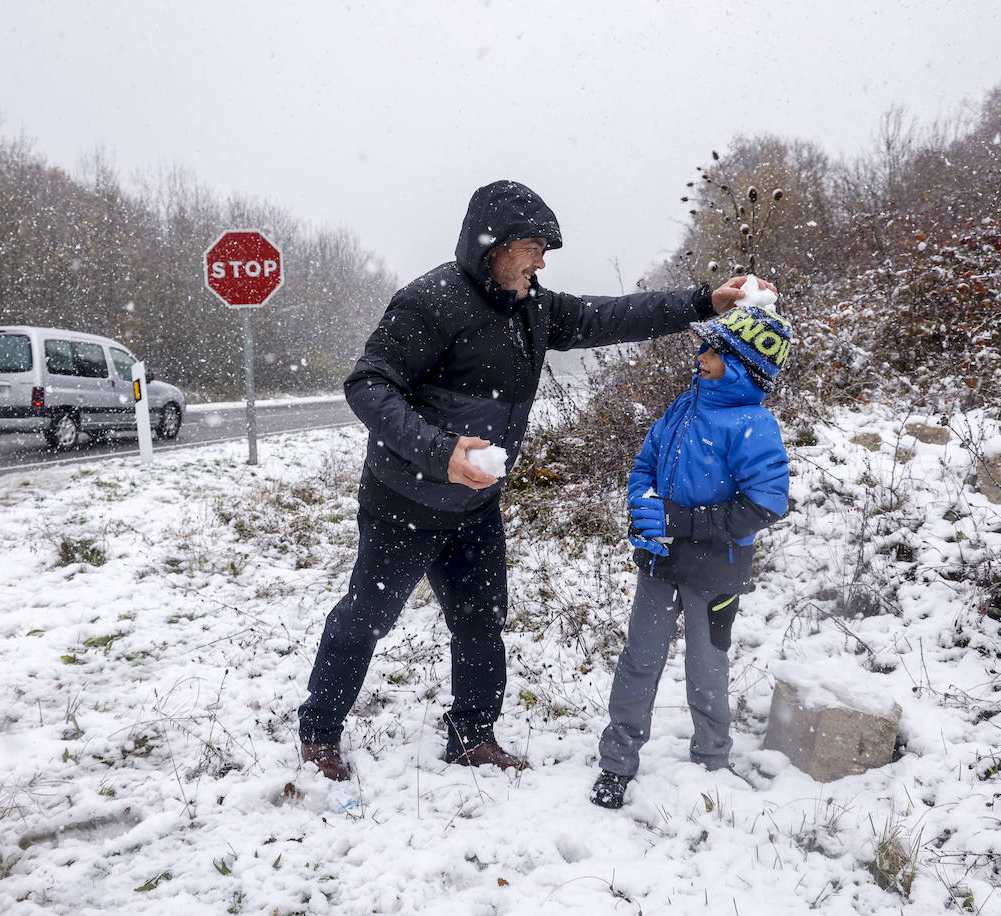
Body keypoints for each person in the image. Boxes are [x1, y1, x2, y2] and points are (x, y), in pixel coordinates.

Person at [298, 178, 772, 782]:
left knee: (480, 616)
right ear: (490, 246)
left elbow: (612, 315)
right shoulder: (431, 302)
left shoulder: (534, 308)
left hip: (474, 504)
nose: (541, 261)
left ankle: (471, 736)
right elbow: (367, 383)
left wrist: (707, 302)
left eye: (545, 250)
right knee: (368, 615)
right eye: (531, 248)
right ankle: (319, 731)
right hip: (406, 499)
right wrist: (439, 451)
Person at [589, 296, 792, 809]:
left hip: (717, 569)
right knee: (639, 659)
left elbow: (767, 502)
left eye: (716, 349)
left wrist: (681, 521)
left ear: (745, 366)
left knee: (707, 666)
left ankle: (712, 762)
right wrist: (643, 513)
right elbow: (644, 465)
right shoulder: (684, 405)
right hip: (659, 563)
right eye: (704, 343)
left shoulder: (753, 424)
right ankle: (617, 761)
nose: (701, 353)